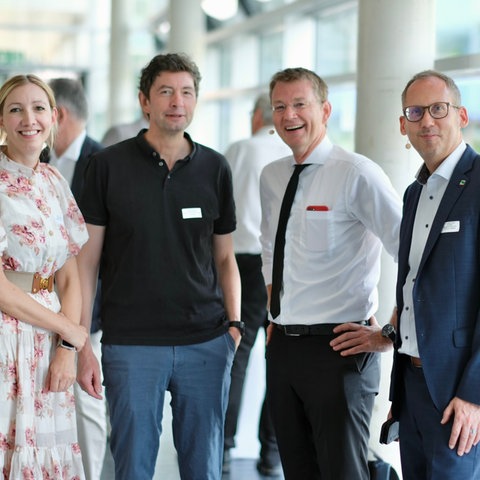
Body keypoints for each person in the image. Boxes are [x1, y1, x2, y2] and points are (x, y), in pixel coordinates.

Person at [76, 52, 242, 480]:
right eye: (165, 91)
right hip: (131, 344)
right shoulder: (107, 166)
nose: (177, 102)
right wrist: (80, 343)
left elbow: (225, 257)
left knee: (203, 468)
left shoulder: (215, 168)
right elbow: (86, 262)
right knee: (132, 465)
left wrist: (235, 326)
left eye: (187, 92)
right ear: (144, 102)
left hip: (205, 340)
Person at [259, 67, 402, 480]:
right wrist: (275, 310)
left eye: (300, 104)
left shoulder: (356, 172)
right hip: (283, 349)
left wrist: (390, 331)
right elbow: (271, 249)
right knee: (297, 470)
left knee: (343, 472)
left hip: (340, 349)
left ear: (325, 109)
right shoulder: (272, 176)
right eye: (280, 106)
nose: (290, 115)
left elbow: (412, 252)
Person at [387, 70, 480, 479]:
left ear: (460, 115)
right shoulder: (414, 193)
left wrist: (474, 395)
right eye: (415, 111)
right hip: (412, 382)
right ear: (403, 125)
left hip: (458, 392)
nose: (427, 121)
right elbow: (414, 284)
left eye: (438, 109)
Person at [0, 74, 88, 477]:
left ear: (54, 117)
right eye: (15, 108)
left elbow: (68, 275)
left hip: (51, 344)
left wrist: (68, 347)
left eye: (38, 108)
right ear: (1, 119)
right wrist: (70, 330)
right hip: (6, 338)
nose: (28, 118)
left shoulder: (55, 181)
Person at [223, 93, 290, 477]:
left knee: (238, 356)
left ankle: (227, 448)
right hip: (284, 268)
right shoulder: (293, 153)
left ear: (256, 116)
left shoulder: (241, 149)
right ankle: (273, 452)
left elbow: (221, 208)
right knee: (279, 357)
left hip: (244, 264)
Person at [46, 77, 108, 480]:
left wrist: (81, 324)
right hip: (39, 304)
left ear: (58, 115)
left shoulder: (102, 163)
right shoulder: (43, 162)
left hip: (88, 305)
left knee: (87, 401)